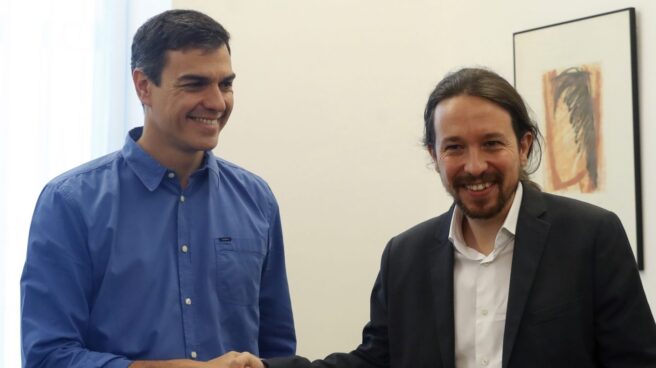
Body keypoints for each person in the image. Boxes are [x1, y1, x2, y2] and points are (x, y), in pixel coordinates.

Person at [225, 67, 656, 367]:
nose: (473, 166)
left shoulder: (590, 237)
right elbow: (376, 361)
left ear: (523, 146)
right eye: (454, 147)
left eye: (491, 143)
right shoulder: (405, 255)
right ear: (433, 155)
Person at [20, 9, 295, 368]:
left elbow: (277, 353)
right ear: (143, 86)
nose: (216, 102)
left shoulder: (256, 200)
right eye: (195, 84)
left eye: (225, 83)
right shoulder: (70, 203)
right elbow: (47, 357)